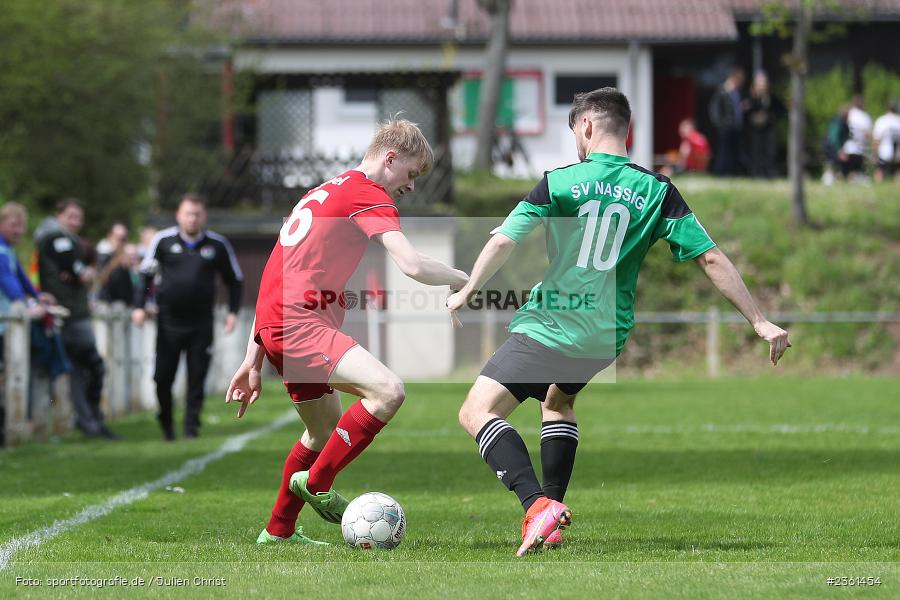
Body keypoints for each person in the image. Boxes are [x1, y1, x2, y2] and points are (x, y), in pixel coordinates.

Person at [446, 88, 791, 557]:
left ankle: (535, 505)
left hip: (553, 323)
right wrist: (760, 321)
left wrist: (468, 289)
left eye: (574, 132)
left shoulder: (560, 181)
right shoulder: (657, 190)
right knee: (557, 402)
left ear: (586, 126)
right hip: (605, 334)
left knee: (476, 411)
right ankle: (553, 517)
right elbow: (709, 259)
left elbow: (506, 239)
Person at [225, 118, 468, 546]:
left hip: (277, 323)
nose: (411, 187)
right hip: (300, 323)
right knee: (388, 391)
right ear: (390, 158)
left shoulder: (322, 192)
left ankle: (278, 530)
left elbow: (274, 273)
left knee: (322, 431)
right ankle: (317, 484)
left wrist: (253, 355)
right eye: (411, 174)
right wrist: (461, 278)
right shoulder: (367, 195)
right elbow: (411, 265)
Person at [132, 195, 243, 441]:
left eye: (197, 214)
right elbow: (145, 275)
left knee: (197, 376)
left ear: (203, 216)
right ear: (178, 215)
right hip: (169, 321)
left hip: (201, 321)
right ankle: (166, 422)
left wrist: (232, 312)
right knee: (162, 376)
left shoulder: (217, 244)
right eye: (187, 213)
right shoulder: (162, 241)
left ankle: (191, 426)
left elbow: (234, 280)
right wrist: (140, 305)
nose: (192, 218)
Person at [36, 199, 118, 439]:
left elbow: (78, 273)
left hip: (74, 312)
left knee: (80, 371)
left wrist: (78, 274)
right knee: (93, 366)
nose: (75, 222)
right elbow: (81, 273)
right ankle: (90, 420)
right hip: (70, 315)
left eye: (78, 218)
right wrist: (80, 273)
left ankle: (89, 422)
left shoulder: (66, 240)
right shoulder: (56, 238)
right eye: (70, 216)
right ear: (58, 215)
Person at [0, 202, 56, 446]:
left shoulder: (8, 251)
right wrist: (27, 302)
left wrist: (37, 296)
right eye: (13, 225)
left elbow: (22, 280)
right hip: (5, 324)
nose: (19, 230)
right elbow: (9, 284)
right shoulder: (1, 252)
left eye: (22, 226)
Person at [744, 71, 782, 178]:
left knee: (770, 150)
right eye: (760, 83)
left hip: (768, 128)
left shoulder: (771, 98)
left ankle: (768, 172)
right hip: (754, 130)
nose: (762, 85)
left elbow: (779, 110)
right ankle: (756, 172)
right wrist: (754, 117)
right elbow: (745, 113)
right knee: (756, 151)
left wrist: (768, 117)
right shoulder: (750, 98)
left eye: (764, 83)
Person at [708, 67, 745, 176]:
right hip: (725, 127)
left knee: (733, 151)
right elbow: (714, 109)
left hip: (735, 127)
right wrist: (720, 124)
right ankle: (721, 172)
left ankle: (731, 172)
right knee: (724, 151)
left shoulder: (737, 92)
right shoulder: (722, 91)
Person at [843, 94, 872, 181]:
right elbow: (868, 134)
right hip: (860, 149)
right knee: (857, 171)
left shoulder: (848, 113)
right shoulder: (865, 117)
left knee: (850, 171)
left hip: (847, 147)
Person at [822, 104, 851, 185]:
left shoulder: (843, 123)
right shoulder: (838, 123)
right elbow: (834, 138)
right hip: (830, 147)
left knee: (837, 163)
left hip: (834, 147)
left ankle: (834, 178)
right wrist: (839, 150)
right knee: (833, 163)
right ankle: (829, 179)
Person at [872, 101, 900, 183]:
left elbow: (877, 139)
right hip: (898, 153)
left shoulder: (882, 120)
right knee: (897, 172)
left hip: (885, 151)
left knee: (880, 171)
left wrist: (874, 153)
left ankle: (878, 188)